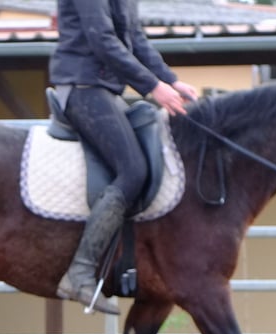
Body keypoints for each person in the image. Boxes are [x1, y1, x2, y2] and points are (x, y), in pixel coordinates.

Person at [49, 0, 198, 315]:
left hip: (103, 90)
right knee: (133, 171)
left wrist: (169, 80)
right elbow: (102, 40)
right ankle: (80, 272)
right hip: (81, 86)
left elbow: (135, 39)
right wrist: (153, 87)